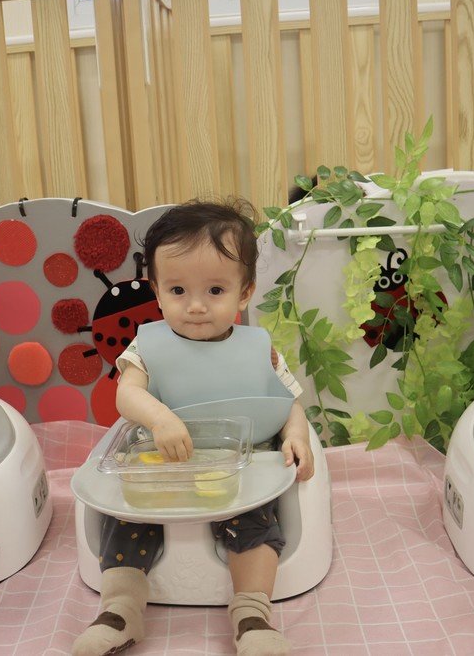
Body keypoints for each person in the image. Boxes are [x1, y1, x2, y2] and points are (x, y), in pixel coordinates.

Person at [72, 199, 315, 656]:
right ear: (157, 291)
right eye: (178, 290)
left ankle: (252, 614)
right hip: (161, 464)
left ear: (244, 292)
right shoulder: (147, 345)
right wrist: (160, 417)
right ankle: (120, 609)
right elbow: (127, 395)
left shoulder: (259, 349)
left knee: (256, 520)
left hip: (238, 468)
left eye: (216, 290)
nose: (196, 306)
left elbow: (288, 402)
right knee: (124, 515)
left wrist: (297, 436)